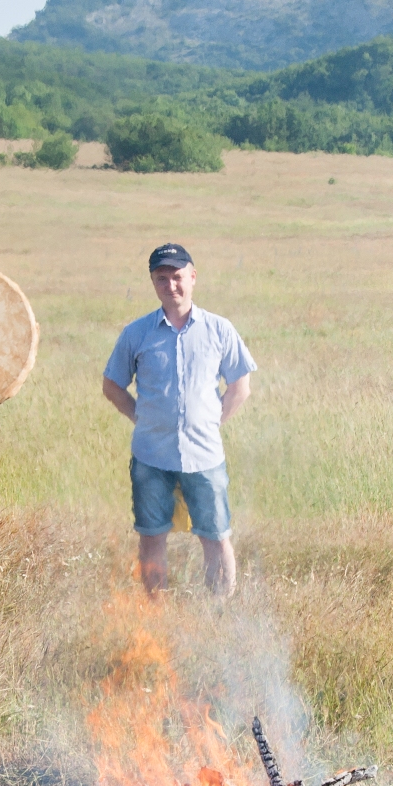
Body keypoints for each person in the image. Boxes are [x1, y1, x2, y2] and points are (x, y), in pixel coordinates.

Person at [101, 242, 256, 596]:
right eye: (161, 278)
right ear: (153, 282)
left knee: (216, 535)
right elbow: (112, 386)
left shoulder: (219, 330)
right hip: (151, 457)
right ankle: (156, 613)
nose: (170, 285)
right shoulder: (136, 333)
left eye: (177, 277)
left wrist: (211, 424)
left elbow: (240, 387)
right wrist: (141, 417)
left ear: (193, 277)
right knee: (152, 537)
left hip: (205, 457)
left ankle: (219, 610)